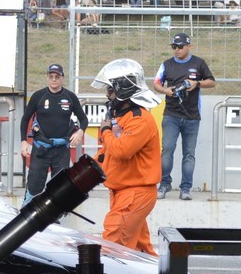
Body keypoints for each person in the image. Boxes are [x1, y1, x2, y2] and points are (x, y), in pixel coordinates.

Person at [91, 58, 161, 255]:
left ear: (122, 90)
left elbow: (121, 151)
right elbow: (108, 153)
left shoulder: (140, 120)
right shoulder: (121, 118)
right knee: (140, 252)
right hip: (124, 192)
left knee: (111, 250)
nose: (107, 95)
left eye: (110, 90)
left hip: (135, 193)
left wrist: (105, 131)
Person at [151, 33, 216, 200]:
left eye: (180, 46)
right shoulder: (167, 64)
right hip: (171, 115)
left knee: (189, 153)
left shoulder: (199, 63)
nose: (177, 49)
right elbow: (156, 83)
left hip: (192, 116)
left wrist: (196, 83)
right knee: (167, 150)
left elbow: (212, 82)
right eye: (174, 46)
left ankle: (186, 188)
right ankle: (164, 184)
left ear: (189, 46)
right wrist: (165, 90)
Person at [19, 64, 88, 204]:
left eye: (57, 76)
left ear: (62, 78)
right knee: (34, 187)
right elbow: (25, 119)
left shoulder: (70, 97)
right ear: (47, 77)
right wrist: (23, 141)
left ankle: (57, 215)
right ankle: (27, 213)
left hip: (61, 150)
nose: (54, 79)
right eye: (51, 76)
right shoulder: (38, 96)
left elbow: (83, 119)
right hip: (41, 149)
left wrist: (80, 132)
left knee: (60, 189)